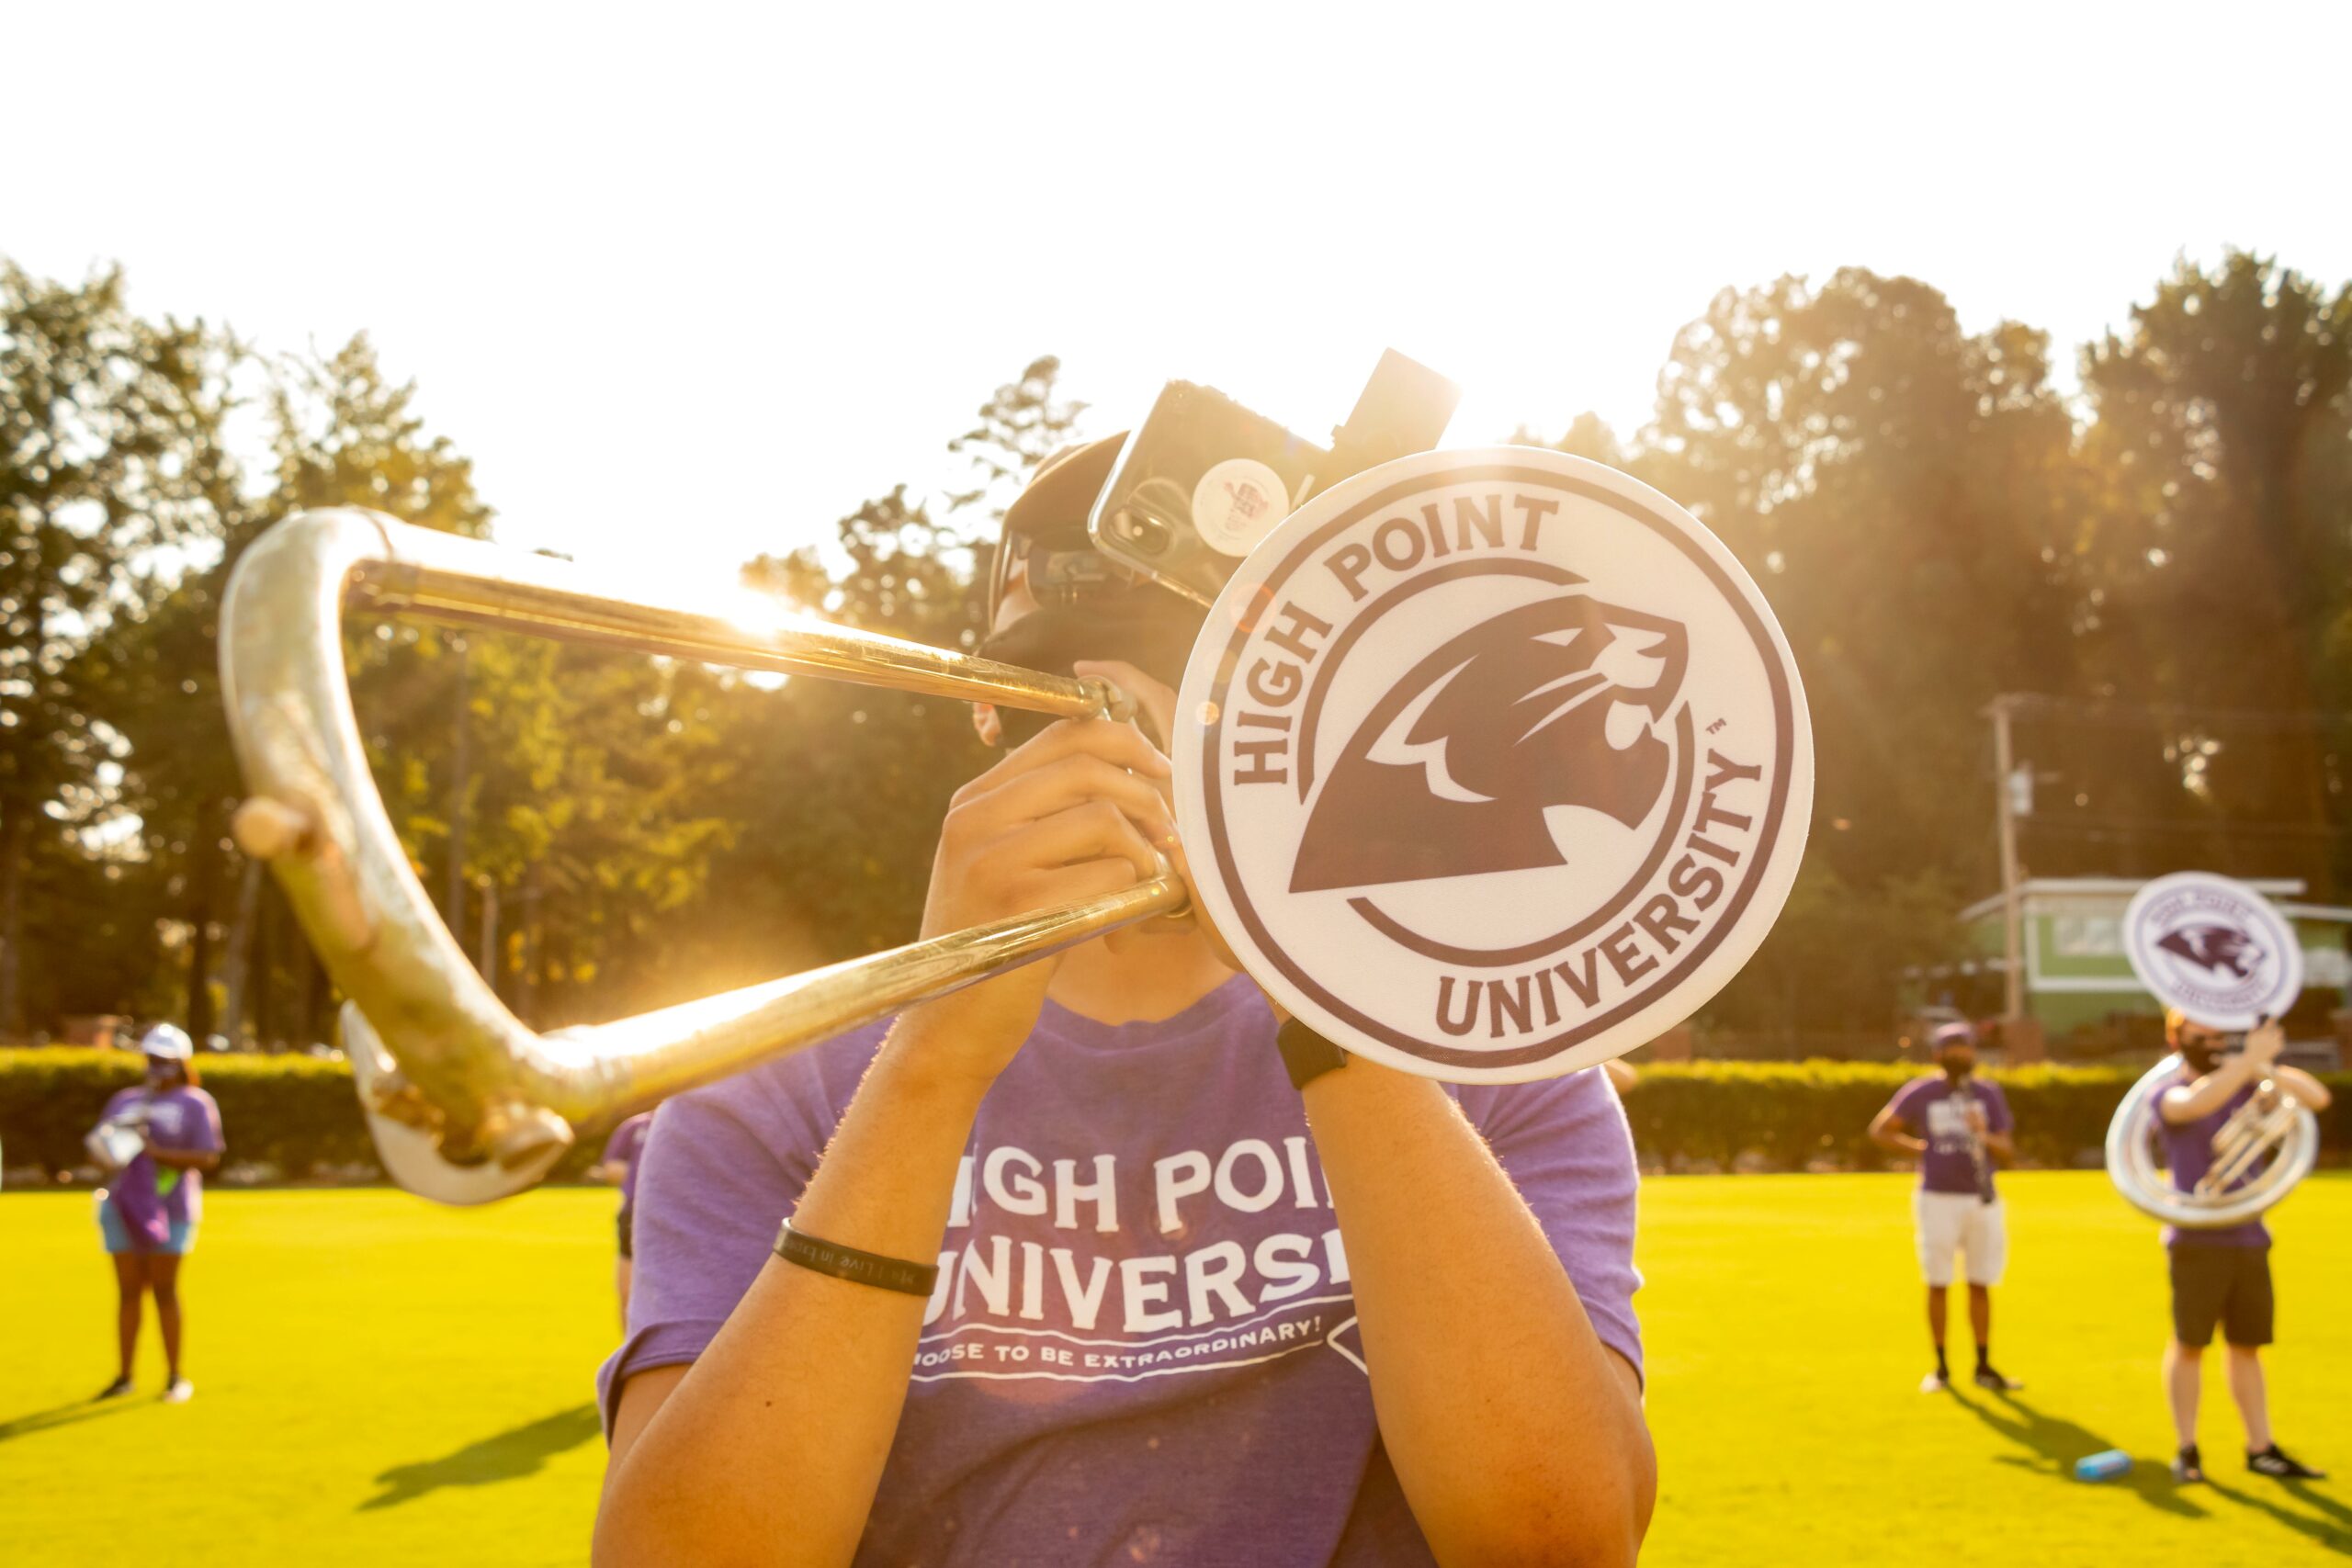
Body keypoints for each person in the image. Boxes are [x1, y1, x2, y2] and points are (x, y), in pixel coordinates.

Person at [594, 436, 1655, 1566]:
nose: (1142, 752)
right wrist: (932, 1061)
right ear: (988, 711)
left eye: (1222, 697)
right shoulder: (769, 1087)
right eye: (1078, 693)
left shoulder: (1491, 1043)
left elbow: (1558, 1538)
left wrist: (1324, 1001)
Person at [2155, 1011, 2331, 1484]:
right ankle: (2187, 1449)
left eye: (2218, 1034)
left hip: (2249, 1237)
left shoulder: (2246, 1084)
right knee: (2190, 1344)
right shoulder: (2168, 1089)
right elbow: (2190, 1107)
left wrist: (2262, 1064)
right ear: (2176, 1037)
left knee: (2247, 1346)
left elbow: (2317, 1098)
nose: (2212, 1042)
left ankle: (2261, 1447)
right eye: (2200, 1035)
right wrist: (2247, 1063)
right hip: (2195, 1239)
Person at [1868, 1021, 2019, 1393]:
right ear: (1938, 1054)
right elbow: (1881, 1130)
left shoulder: (1987, 1093)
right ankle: (1941, 1367)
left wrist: (1982, 1133)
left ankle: (1983, 1364)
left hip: (1981, 1197)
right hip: (1937, 1197)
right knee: (1938, 1281)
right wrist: (1923, 1150)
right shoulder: (1922, 1091)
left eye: (1965, 1049)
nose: (1961, 1056)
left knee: (1980, 1282)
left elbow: (2007, 1150)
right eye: (1953, 1050)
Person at [90, 1023, 224, 1404]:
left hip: (172, 1207)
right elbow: (99, 1148)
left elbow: (208, 1156)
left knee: (164, 1290)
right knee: (129, 1291)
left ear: (181, 1062)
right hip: (123, 1206)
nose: (157, 1066)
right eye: (152, 1058)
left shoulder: (195, 1102)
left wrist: (153, 1151)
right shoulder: (126, 1100)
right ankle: (124, 1376)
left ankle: (174, 1376)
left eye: (165, 1059)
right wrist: (113, 1148)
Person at [596, 1111, 656, 1325]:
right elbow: (611, 1168)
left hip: (680, 1216)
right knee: (627, 1291)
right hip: (634, 1213)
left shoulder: (692, 1122)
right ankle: (630, 1343)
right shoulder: (636, 1126)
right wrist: (651, 1171)